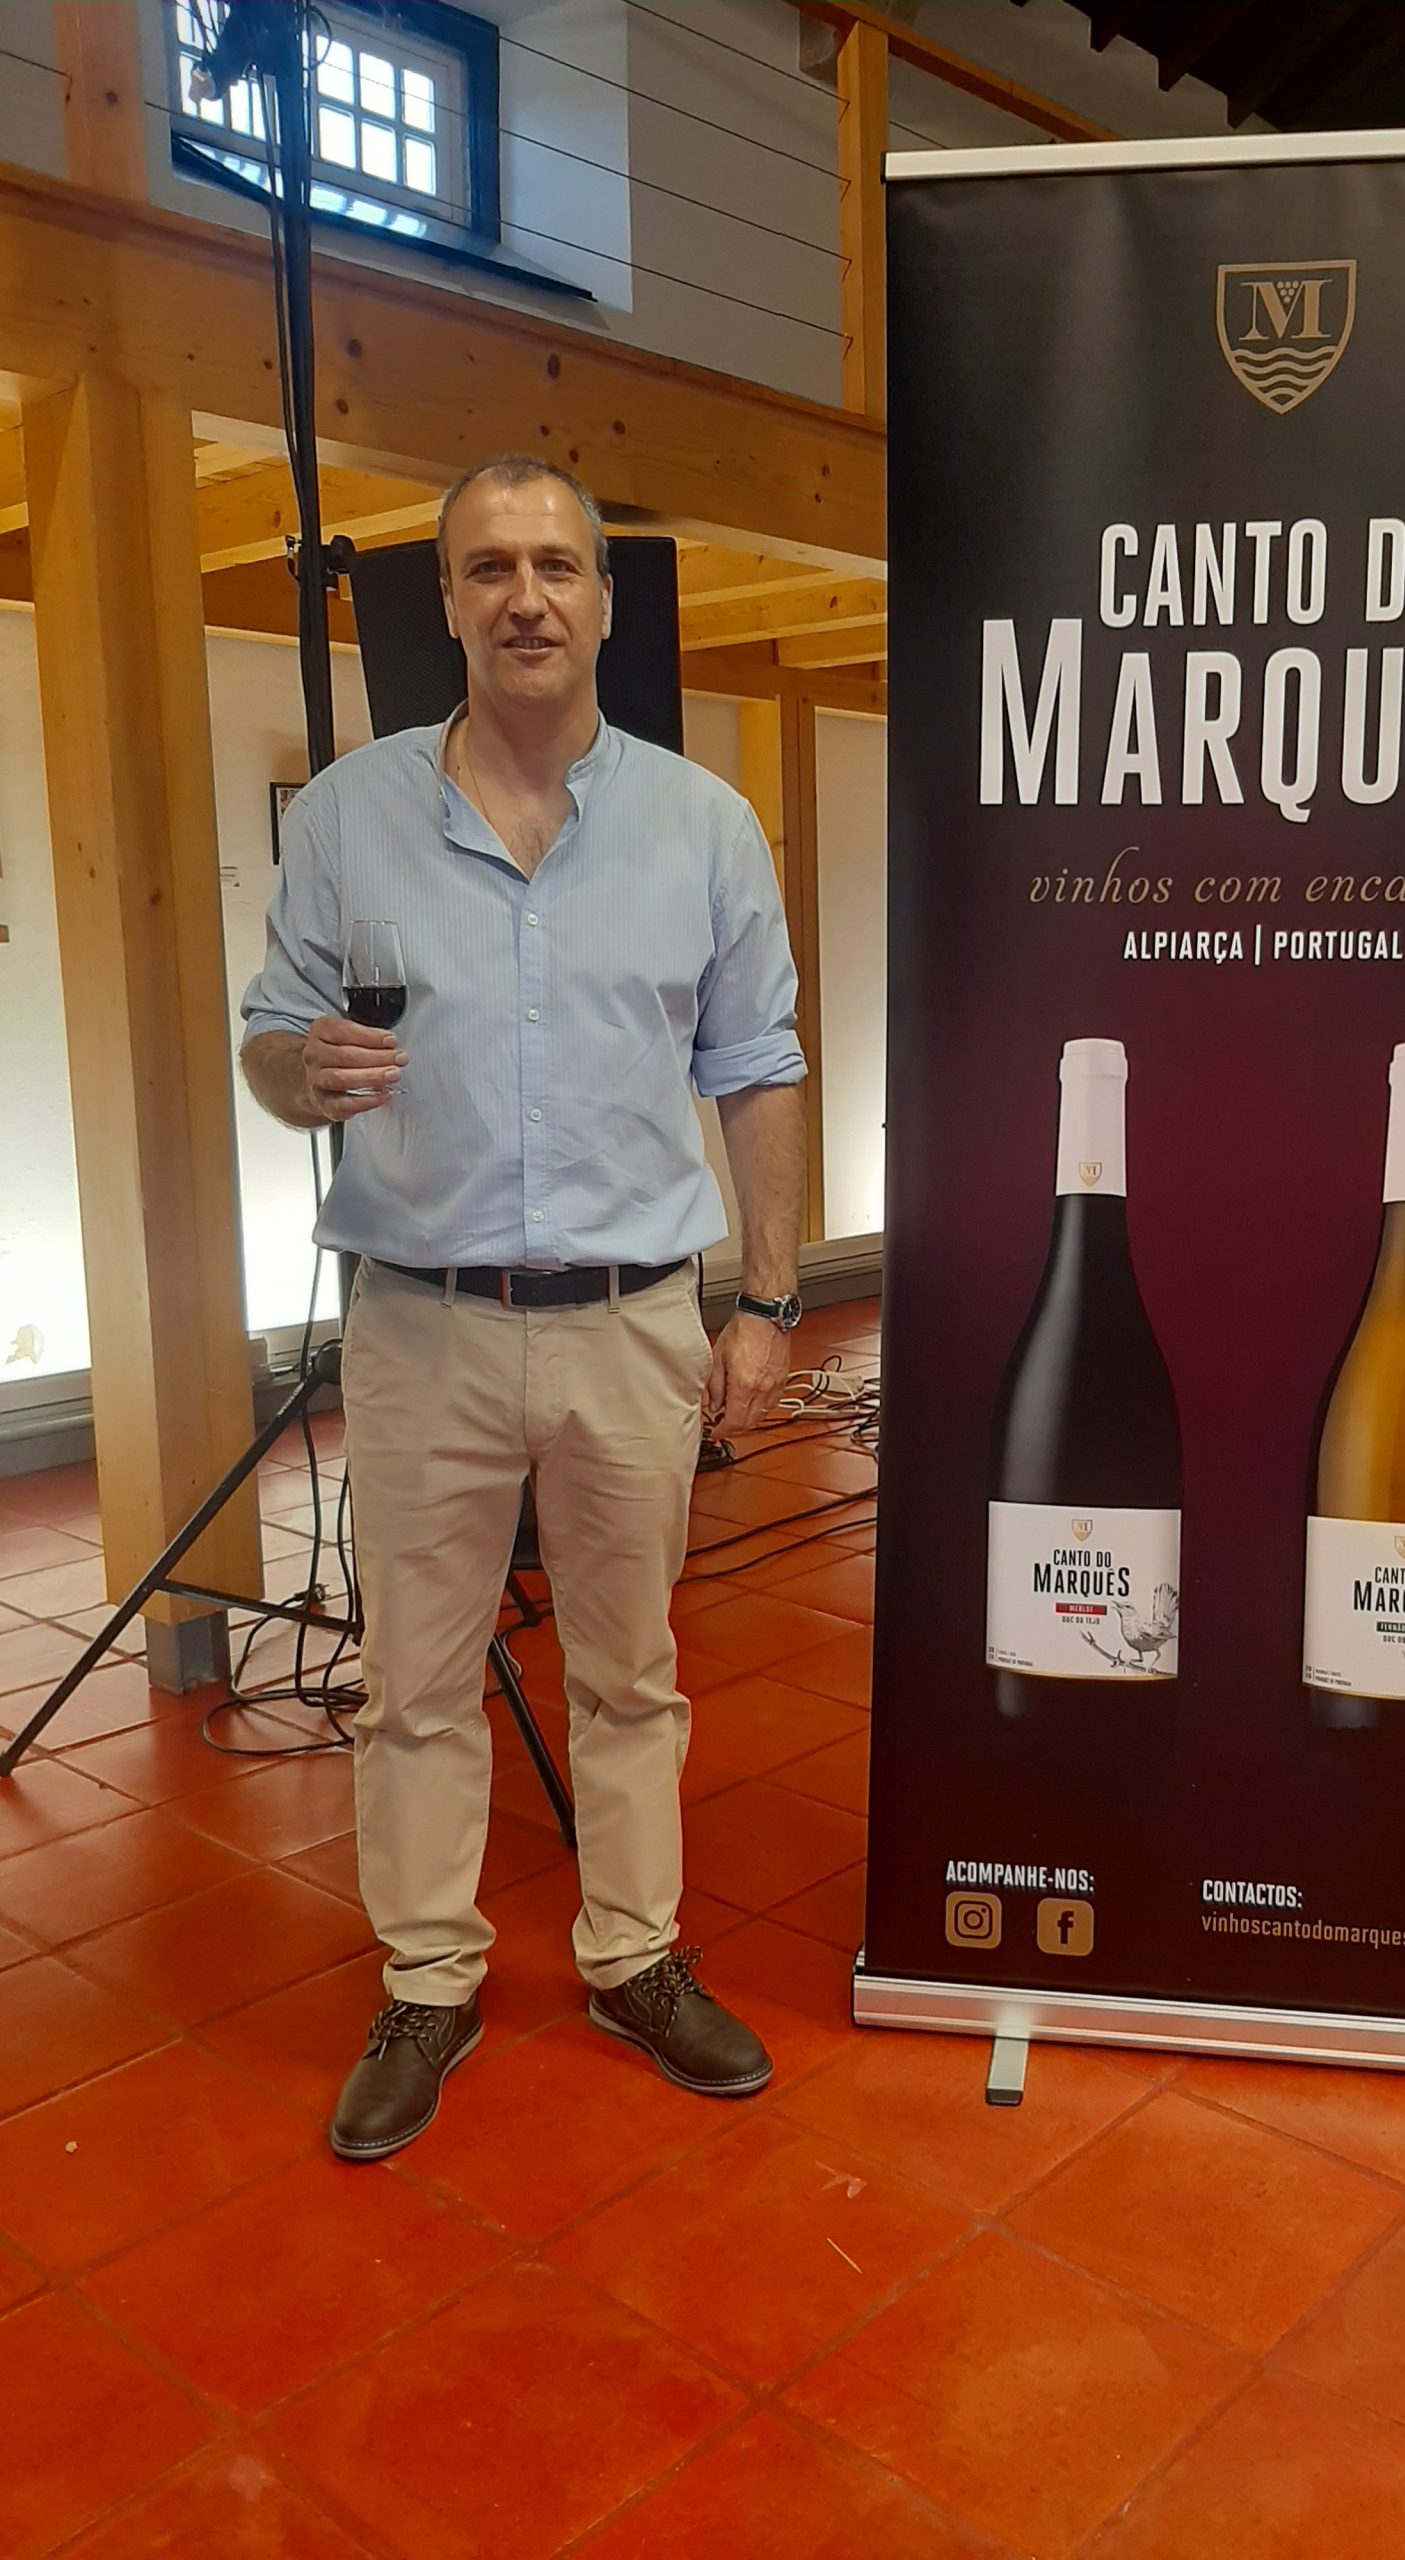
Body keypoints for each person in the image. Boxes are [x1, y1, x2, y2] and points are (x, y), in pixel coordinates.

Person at [240, 455, 808, 2161]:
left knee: (632, 1672)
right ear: (448, 602)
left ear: (606, 603)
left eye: (556, 565)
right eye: (489, 567)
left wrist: (770, 1300)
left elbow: (760, 1066)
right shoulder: (349, 817)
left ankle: (634, 1956)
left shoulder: (704, 826)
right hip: (422, 1320)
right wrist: (294, 1073)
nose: (526, 596)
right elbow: (270, 1032)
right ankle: (429, 1981)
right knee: (416, 1682)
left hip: (637, 1321)